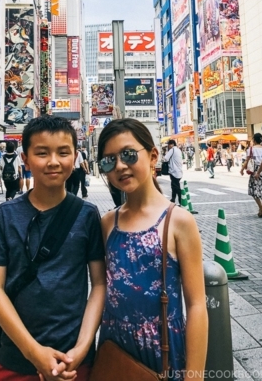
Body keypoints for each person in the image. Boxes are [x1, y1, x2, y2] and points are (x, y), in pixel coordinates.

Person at [0, 115, 106, 381]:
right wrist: (34, 353)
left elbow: (99, 284)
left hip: (74, 360)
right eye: (42, 153)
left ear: (74, 157)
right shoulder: (6, 214)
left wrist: (82, 348)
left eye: (63, 152)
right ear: (25, 160)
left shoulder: (87, 214)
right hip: (16, 357)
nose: (53, 161)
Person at [97, 119, 208, 379]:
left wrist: (195, 375)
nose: (120, 166)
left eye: (128, 154)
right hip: (114, 346)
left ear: (153, 156)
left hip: (163, 349)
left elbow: (196, 305)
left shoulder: (178, 221)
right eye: (108, 160)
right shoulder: (107, 222)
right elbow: (101, 289)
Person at [241, 133, 262, 217]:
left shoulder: (251, 149)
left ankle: (261, 208)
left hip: (256, 170)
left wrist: (242, 169)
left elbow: (246, 161)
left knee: (255, 190)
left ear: (254, 140)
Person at [162, 139, 183, 204]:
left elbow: (165, 158)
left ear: (171, 144)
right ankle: (173, 199)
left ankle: (181, 200)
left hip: (174, 171)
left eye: (168, 145)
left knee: (176, 187)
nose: (168, 146)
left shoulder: (172, 150)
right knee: (174, 186)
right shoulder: (178, 150)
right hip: (179, 171)